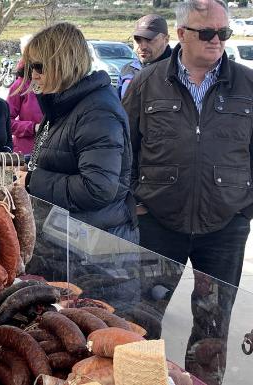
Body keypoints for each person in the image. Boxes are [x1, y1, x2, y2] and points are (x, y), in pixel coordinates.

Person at [123, 1, 250, 383]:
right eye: (207, 32)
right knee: (142, 318)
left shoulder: (248, 84)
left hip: (225, 228)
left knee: (212, 328)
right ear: (181, 34)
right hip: (159, 222)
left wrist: (245, 208)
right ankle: (138, 380)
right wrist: (135, 199)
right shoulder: (148, 81)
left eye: (223, 33)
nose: (216, 40)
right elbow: (126, 146)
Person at [24, 23, 137, 243]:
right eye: (29, 68)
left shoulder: (97, 111)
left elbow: (97, 188)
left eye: (38, 67)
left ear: (62, 64)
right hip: (71, 237)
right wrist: (27, 165)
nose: (33, 76)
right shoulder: (63, 105)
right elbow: (62, 157)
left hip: (94, 245)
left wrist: (31, 180)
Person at [117, 14, 172, 98]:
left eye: (149, 40)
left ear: (166, 39)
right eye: (138, 40)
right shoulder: (127, 71)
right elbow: (118, 107)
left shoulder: (179, 71)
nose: (143, 46)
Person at [6, 33, 43, 159]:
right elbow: (6, 122)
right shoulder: (20, 85)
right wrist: (33, 127)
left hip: (50, 154)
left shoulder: (59, 85)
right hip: (24, 155)